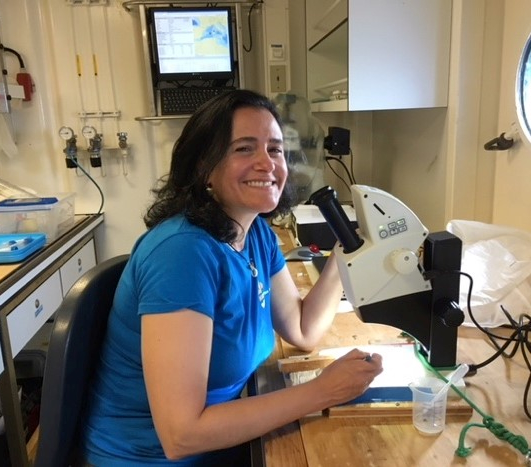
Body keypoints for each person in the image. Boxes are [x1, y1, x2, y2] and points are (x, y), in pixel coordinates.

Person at [80, 89, 383, 466]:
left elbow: (303, 330)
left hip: (216, 446)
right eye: (244, 149)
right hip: (150, 458)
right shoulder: (183, 255)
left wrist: (345, 253)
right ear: (205, 168)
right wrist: (322, 391)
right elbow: (181, 435)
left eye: (274, 149)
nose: (267, 163)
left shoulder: (255, 233)